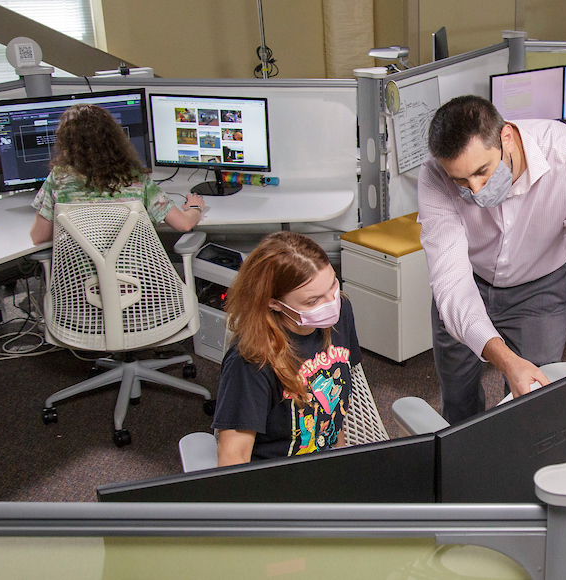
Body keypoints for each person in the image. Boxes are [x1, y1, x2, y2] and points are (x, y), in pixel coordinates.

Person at [419, 95, 566, 424]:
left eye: (482, 171)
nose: (476, 190)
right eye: (461, 181)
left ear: (506, 137)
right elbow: (451, 285)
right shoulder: (434, 175)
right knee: (457, 399)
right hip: (471, 284)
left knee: (534, 400)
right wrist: (506, 360)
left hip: (541, 289)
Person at [212, 231, 361, 466]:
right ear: (273, 302)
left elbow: (334, 407)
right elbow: (233, 456)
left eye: (333, 284)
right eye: (313, 301)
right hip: (278, 479)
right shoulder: (251, 359)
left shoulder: (341, 312)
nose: (331, 302)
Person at [29, 104, 204, 244]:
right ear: (113, 138)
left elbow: (38, 236)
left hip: (79, 284)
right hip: (133, 284)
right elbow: (184, 224)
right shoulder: (135, 179)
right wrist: (195, 208)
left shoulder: (58, 179)